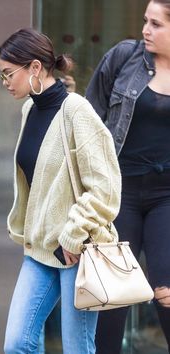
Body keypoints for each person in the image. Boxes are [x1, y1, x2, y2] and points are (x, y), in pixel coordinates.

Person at [0, 27, 121, 354]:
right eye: (2, 76)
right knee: (16, 345)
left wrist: (74, 233)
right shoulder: (30, 110)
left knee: (77, 349)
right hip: (39, 249)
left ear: (35, 68)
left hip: (75, 250)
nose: (6, 82)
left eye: (9, 73)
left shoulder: (76, 112)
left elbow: (106, 186)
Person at [85, 0, 170, 353]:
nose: (146, 30)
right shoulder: (126, 58)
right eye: (145, 22)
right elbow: (87, 121)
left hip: (167, 196)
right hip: (119, 193)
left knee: (166, 290)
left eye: (156, 24)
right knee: (112, 294)